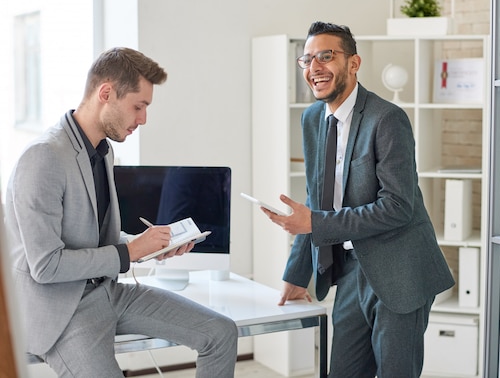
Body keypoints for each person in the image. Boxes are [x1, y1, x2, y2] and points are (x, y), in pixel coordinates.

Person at [4, 47, 237, 377]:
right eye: (138, 106)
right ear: (106, 93)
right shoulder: (43, 158)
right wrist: (129, 252)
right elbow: (46, 265)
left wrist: (148, 245)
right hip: (62, 309)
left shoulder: (103, 150)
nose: (143, 119)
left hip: (107, 290)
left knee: (222, 333)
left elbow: (98, 239)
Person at [261, 22, 455, 378]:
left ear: (353, 63)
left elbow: (398, 206)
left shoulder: (387, 119)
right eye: (306, 59)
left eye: (326, 56)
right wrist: (297, 273)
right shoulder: (311, 120)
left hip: (400, 271)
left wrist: (317, 223)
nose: (314, 67)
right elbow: (315, 200)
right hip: (349, 269)